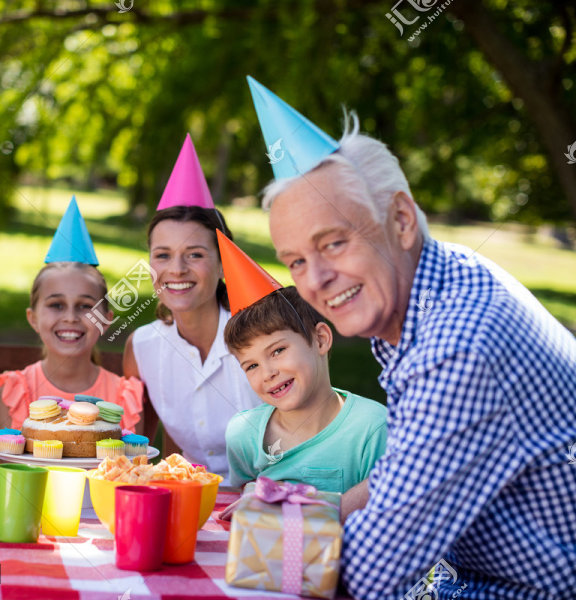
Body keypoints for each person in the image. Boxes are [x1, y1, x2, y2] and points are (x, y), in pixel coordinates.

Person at [249, 77, 576, 598]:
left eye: (334, 242)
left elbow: (366, 573)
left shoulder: (458, 345)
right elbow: (406, 476)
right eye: (295, 261)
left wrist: (238, 556)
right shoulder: (444, 285)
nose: (316, 279)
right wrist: (307, 506)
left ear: (401, 220)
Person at [124, 135, 261, 478]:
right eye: (163, 255)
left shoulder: (264, 337)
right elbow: (131, 452)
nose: (177, 270)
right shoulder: (142, 347)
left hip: (272, 507)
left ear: (223, 263)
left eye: (195, 255)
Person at [218, 234, 386, 492]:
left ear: (320, 339)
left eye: (278, 351)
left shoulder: (372, 429)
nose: (268, 373)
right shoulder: (243, 435)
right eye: (251, 366)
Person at [0, 196, 144, 434]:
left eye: (85, 306)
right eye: (56, 305)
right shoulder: (14, 392)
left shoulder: (125, 398)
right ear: (33, 318)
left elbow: (131, 470)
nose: (71, 317)